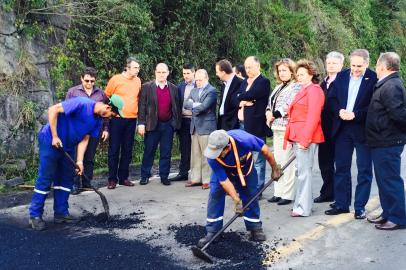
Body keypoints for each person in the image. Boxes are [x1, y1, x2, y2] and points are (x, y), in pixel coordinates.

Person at [28, 97, 119, 230]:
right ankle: (35, 215)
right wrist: (54, 136)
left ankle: (61, 213)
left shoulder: (98, 122)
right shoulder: (82, 104)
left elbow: (85, 139)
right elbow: (53, 109)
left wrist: (80, 161)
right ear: (108, 108)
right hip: (50, 140)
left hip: (68, 146)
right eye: (112, 116)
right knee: (45, 178)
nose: (109, 119)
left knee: (66, 178)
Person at [197, 129, 281, 247]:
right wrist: (236, 201)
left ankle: (254, 227)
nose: (215, 154)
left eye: (219, 152)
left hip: (245, 168)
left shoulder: (244, 139)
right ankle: (213, 231)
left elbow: (265, 150)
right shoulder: (212, 157)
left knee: (251, 193)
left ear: (227, 147)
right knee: (215, 193)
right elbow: (224, 181)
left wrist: (275, 169)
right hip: (224, 170)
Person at [325, 49, 378, 219]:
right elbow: (331, 99)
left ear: (367, 64)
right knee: (341, 168)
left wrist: (356, 114)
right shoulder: (341, 76)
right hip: (342, 129)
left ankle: (360, 207)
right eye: (353, 65)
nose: (355, 69)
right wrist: (339, 110)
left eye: (359, 66)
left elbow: (374, 105)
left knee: (364, 170)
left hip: (362, 129)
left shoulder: (374, 79)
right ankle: (341, 204)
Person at [366, 52, 406, 230]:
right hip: (381, 141)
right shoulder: (386, 83)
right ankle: (387, 213)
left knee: (390, 180)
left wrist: (394, 135)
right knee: (383, 181)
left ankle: (398, 218)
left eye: (376, 64)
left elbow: (399, 115)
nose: (375, 67)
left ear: (383, 66)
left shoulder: (391, 86)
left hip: (388, 142)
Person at [284, 59, 325, 217]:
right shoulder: (303, 90)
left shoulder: (314, 90)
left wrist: (305, 139)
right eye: (297, 74)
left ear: (311, 74)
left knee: (304, 172)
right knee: (301, 171)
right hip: (298, 134)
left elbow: (313, 117)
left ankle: (303, 207)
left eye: (302, 74)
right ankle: (302, 203)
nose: (299, 77)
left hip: (305, 136)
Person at [65, 67, 109, 195]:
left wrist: (106, 128)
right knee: (74, 158)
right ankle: (74, 184)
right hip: (76, 131)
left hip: (94, 130)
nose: (89, 83)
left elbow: (106, 112)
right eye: (87, 80)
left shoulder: (101, 94)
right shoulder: (72, 92)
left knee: (89, 157)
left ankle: (86, 182)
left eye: (92, 81)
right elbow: (66, 111)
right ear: (81, 78)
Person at [137, 63, 181, 186]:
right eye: (159, 72)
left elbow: (176, 107)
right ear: (155, 73)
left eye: (163, 72)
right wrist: (141, 123)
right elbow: (142, 106)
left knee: (166, 152)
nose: (161, 74)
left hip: (167, 125)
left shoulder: (174, 88)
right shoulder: (147, 87)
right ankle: (144, 175)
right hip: (152, 124)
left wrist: (174, 124)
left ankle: (164, 176)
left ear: (168, 73)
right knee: (149, 151)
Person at [266, 58, 299, 205]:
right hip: (276, 127)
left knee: (287, 162)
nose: (282, 73)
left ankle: (287, 194)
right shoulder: (278, 86)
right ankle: (278, 192)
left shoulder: (296, 86)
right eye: (280, 71)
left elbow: (288, 105)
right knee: (277, 162)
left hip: (287, 127)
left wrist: (274, 114)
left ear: (292, 71)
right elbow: (270, 102)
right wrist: (268, 112)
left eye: (285, 70)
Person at [105, 57, 142, 189]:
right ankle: (112, 179)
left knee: (127, 150)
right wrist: (113, 112)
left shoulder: (138, 80)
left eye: (138, 67)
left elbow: (137, 98)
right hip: (116, 120)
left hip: (131, 120)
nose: (138, 70)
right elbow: (106, 96)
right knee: (114, 150)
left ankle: (123, 178)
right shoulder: (115, 79)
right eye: (135, 67)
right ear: (127, 67)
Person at [237, 56, 271, 192]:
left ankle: (258, 188)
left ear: (258, 66)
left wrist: (243, 98)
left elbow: (253, 94)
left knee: (257, 158)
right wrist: (245, 100)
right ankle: (247, 185)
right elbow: (237, 97)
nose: (248, 70)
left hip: (256, 125)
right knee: (245, 158)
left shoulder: (264, 81)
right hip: (242, 124)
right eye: (246, 67)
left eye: (250, 67)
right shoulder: (244, 82)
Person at [314, 51, 344, 203]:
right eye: (329, 63)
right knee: (324, 163)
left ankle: (339, 196)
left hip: (338, 128)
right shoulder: (322, 83)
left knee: (339, 164)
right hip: (323, 129)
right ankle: (327, 192)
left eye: (334, 63)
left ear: (341, 65)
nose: (331, 65)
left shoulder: (344, 81)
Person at [183, 69, 217, 189]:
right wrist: (197, 105)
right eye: (196, 80)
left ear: (206, 79)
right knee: (195, 154)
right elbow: (185, 104)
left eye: (200, 80)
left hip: (207, 126)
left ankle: (207, 180)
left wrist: (194, 105)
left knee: (206, 154)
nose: (197, 82)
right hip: (195, 126)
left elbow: (204, 107)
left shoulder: (212, 91)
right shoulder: (194, 90)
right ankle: (196, 178)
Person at [169, 64, 195, 182]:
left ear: (194, 73)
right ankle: (183, 172)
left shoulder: (199, 85)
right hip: (183, 121)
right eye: (184, 73)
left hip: (196, 121)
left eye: (188, 73)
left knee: (197, 149)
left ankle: (197, 174)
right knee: (184, 148)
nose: (185, 76)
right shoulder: (180, 86)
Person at [216, 59, 242, 131]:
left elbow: (237, 103)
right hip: (222, 122)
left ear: (223, 72)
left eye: (217, 72)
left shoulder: (240, 83)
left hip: (233, 123)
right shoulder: (224, 84)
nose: (216, 74)